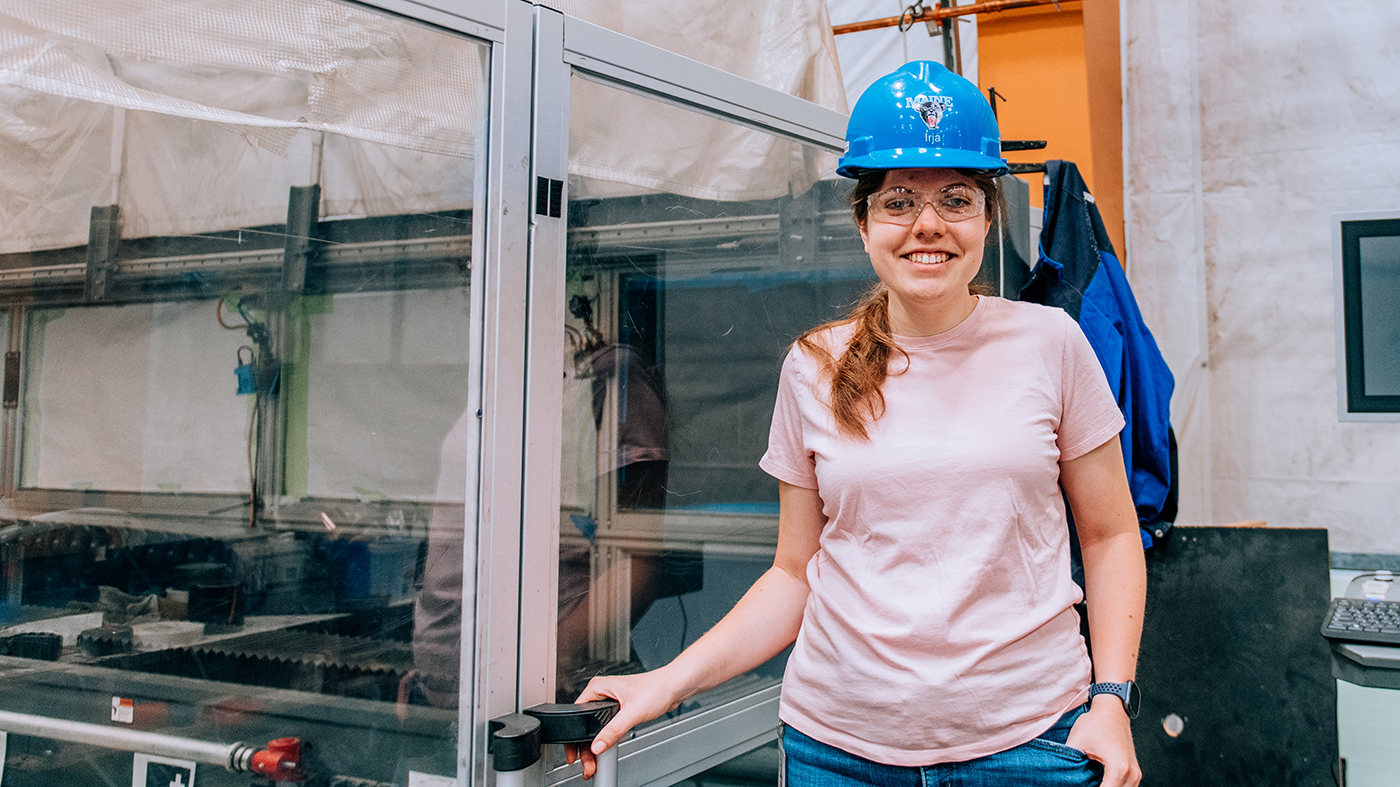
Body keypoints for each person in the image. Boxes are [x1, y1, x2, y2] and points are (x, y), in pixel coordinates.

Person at [570, 61, 1146, 787]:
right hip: (838, 752)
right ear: (864, 221)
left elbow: (1112, 534)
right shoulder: (813, 365)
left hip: (1030, 741)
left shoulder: (1052, 344)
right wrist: (670, 680)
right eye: (900, 200)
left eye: (957, 199)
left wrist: (1113, 697)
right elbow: (793, 573)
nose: (928, 225)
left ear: (988, 217)